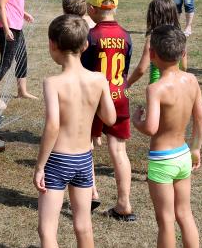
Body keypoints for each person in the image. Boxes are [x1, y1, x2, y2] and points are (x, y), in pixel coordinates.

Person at [35, 14, 117, 248]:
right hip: (83, 159)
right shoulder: (99, 79)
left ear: (53, 45)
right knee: (83, 225)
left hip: (58, 160)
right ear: (85, 45)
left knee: (47, 230)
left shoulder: (53, 83)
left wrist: (40, 166)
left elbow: (52, 125)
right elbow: (110, 118)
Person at [132, 25, 202, 248]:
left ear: (152, 54)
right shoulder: (192, 80)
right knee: (184, 214)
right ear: (183, 53)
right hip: (183, 154)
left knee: (165, 220)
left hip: (162, 160)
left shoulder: (156, 88)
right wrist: (196, 148)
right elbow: (201, 119)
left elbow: (151, 128)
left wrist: (137, 121)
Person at [81, 0, 136, 221]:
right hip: (119, 97)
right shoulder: (126, 35)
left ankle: (90, 193)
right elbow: (125, 67)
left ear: (91, 9)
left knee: (86, 147)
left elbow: (82, 68)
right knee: (119, 150)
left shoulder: (91, 36)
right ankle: (124, 203)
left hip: (94, 98)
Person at [127, 0, 188, 87]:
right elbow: (184, 66)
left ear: (153, 16)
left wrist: (128, 83)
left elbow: (141, 69)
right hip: (177, 85)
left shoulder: (153, 38)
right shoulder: (179, 36)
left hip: (158, 86)